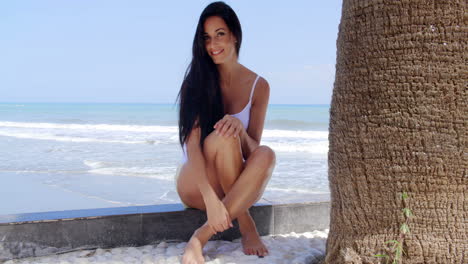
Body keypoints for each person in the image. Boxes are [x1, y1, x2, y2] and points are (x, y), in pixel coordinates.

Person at [175, 2, 276, 263]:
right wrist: (210, 198)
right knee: (223, 135)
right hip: (197, 183)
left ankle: (199, 237)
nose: (213, 44)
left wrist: (241, 130)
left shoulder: (259, 86)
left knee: (267, 154)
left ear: (235, 35)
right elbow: (192, 147)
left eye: (220, 34)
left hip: (232, 184)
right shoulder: (195, 82)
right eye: (207, 38)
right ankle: (247, 225)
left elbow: (252, 154)